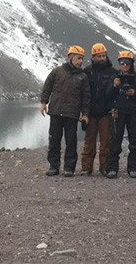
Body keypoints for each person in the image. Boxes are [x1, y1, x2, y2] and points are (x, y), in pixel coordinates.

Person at [40, 46, 91, 177]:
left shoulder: (83, 77)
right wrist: (43, 102)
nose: (80, 61)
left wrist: (85, 114)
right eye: (78, 58)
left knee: (71, 142)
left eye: (82, 59)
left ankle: (69, 168)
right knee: (54, 140)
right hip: (56, 112)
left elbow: (86, 97)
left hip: (72, 114)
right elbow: (47, 86)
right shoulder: (57, 71)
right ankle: (53, 166)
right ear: (70, 57)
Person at [105, 50, 136, 179]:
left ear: (131, 63)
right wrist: (114, 86)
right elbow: (107, 95)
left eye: (127, 63)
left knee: (134, 140)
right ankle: (112, 168)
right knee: (115, 140)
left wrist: (134, 94)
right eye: (122, 62)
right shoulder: (114, 76)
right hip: (118, 112)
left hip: (133, 112)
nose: (125, 65)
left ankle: (133, 168)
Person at [79, 43, 117, 176]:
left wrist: (114, 108)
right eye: (99, 56)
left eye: (104, 55)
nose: (102, 58)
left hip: (106, 112)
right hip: (91, 113)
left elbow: (115, 93)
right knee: (89, 141)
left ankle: (105, 167)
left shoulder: (112, 72)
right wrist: (84, 113)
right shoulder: (87, 71)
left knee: (106, 141)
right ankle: (86, 168)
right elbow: (83, 93)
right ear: (93, 57)